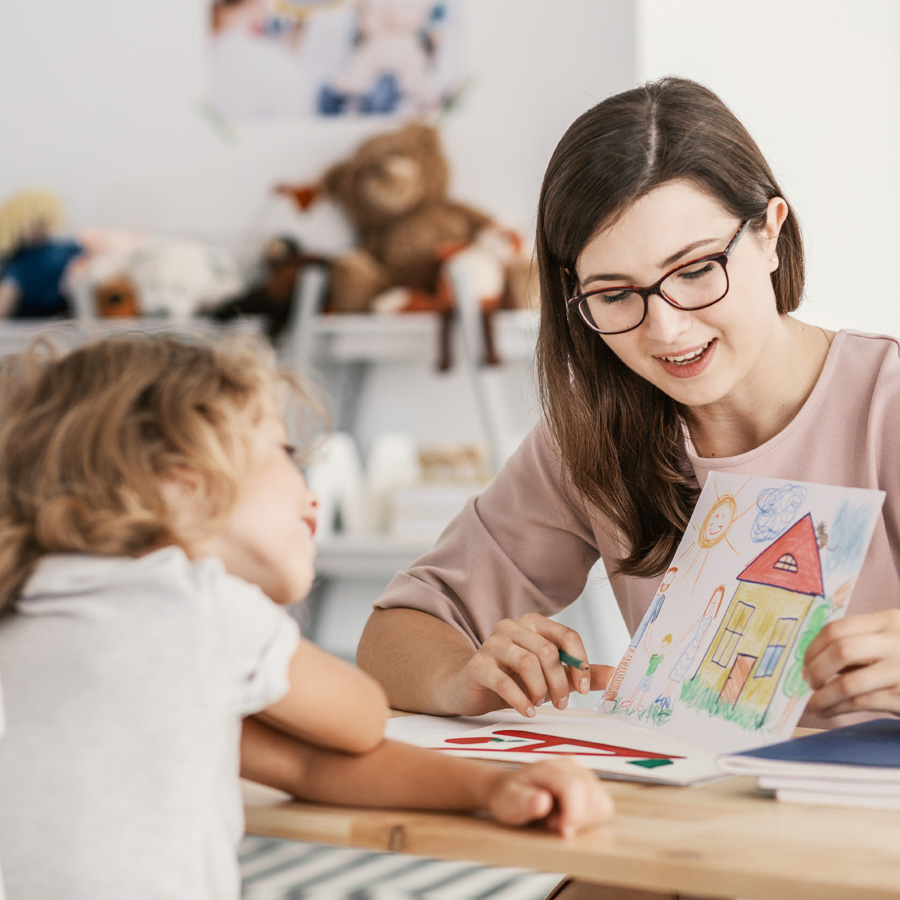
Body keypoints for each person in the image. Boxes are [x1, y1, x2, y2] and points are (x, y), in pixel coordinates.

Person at [356, 76, 900, 732]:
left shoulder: (885, 405)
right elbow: (399, 630)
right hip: (695, 825)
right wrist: (462, 675)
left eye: (697, 270)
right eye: (614, 294)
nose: (665, 330)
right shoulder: (594, 436)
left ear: (769, 233)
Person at [0, 333, 613, 900]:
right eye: (282, 452)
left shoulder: (28, 610)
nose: (309, 489)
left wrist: (487, 789)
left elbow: (298, 764)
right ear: (183, 488)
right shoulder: (199, 607)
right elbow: (358, 718)